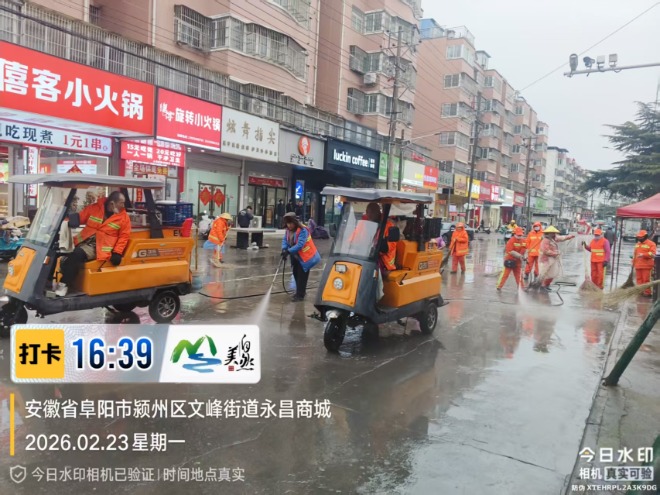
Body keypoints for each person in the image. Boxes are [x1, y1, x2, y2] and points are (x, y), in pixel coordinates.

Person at [56, 191, 130, 297]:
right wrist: (66, 220)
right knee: (58, 251)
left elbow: (124, 236)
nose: (123, 206)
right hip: (82, 241)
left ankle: (64, 284)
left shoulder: (124, 217)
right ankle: (49, 281)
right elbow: (81, 216)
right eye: (121, 203)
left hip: (99, 247)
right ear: (112, 203)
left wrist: (117, 252)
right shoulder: (95, 208)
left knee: (76, 254)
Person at [281, 212, 321, 302]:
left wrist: (288, 251)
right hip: (295, 256)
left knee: (302, 276)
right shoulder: (288, 230)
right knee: (295, 273)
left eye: (291, 223)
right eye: (287, 223)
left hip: (305, 257)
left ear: (295, 222)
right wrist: (284, 249)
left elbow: (300, 245)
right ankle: (300, 292)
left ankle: (300, 295)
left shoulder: (303, 230)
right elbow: (285, 240)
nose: (289, 225)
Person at [538, 226, 575, 291]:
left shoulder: (553, 238)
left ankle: (547, 285)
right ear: (549, 233)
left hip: (552, 259)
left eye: (554, 233)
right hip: (545, 260)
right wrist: (555, 253)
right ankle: (542, 286)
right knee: (545, 274)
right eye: (552, 233)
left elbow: (561, 238)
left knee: (552, 274)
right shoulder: (545, 240)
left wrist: (569, 237)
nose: (554, 234)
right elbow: (545, 250)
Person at [633, 230, 656, 297]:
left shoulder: (651, 244)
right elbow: (635, 254)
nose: (639, 238)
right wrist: (633, 262)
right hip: (638, 265)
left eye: (641, 237)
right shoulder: (637, 244)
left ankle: (647, 293)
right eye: (639, 237)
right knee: (639, 280)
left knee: (646, 280)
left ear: (645, 237)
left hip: (646, 266)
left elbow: (652, 254)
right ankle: (640, 291)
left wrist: (643, 255)